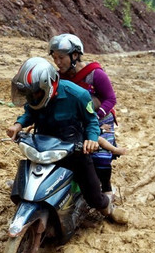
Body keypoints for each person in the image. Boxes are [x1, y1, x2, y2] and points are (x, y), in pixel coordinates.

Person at [6, 57, 123, 222]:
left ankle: (108, 208)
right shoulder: (35, 96)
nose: (32, 98)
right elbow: (30, 112)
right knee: (23, 183)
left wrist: (91, 139)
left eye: (35, 93)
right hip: (43, 147)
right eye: (29, 95)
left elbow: (91, 121)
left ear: (49, 85)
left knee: (94, 197)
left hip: (74, 151)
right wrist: (19, 125)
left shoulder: (77, 95)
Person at [48, 33, 121, 196]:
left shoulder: (95, 74)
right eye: (54, 58)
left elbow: (110, 98)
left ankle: (107, 189)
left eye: (61, 58)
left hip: (101, 118)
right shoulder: (58, 77)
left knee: (101, 158)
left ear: (75, 56)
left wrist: (96, 117)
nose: (57, 63)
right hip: (75, 120)